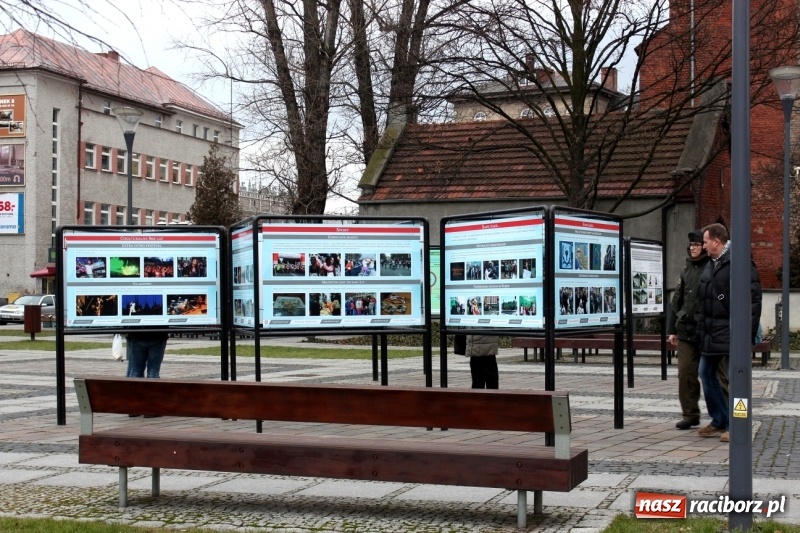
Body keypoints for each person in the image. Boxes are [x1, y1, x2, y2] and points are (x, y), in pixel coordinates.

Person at [695, 223, 762, 443]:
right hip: (711, 333)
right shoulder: (711, 264)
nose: (703, 246)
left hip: (732, 333)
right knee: (705, 373)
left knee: (737, 381)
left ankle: (737, 424)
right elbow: (703, 301)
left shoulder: (739, 262)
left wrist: (747, 334)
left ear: (716, 241)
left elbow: (753, 300)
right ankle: (720, 419)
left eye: (705, 241)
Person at [667, 230, 710, 430]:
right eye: (691, 245)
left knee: (711, 375)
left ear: (705, 246)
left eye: (697, 244)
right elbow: (676, 301)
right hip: (685, 329)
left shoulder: (711, 267)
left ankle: (720, 415)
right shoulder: (686, 270)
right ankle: (690, 414)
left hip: (706, 329)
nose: (692, 248)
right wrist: (672, 330)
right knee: (685, 373)